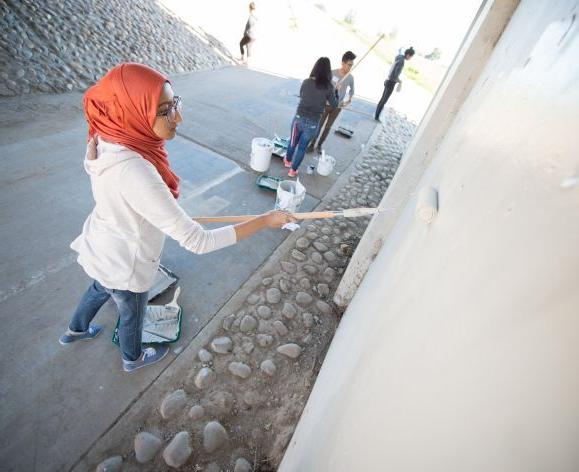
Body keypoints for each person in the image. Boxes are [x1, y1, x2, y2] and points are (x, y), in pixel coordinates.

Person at [59, 63, 294, 373]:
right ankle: (133, 358)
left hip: (103, 245)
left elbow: (124, 195)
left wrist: (156, 211)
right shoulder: (136, 170)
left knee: (99, 288)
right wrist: (264, 220)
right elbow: (198, 241)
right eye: (166, 110)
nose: (178, 117)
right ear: (134, 109)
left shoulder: (106, 135)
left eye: (175, 103)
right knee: (131, 311)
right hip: (127, 262)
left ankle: (74, 331)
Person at [284, 57, 338, 177]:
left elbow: (302, 94)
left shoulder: (306, 82)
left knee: (292, 142)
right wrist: (336, 93)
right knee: (302, 148)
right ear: (328, 71)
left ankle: (287, 161)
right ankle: (293, 171)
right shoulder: (329, 87)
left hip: (298, 119)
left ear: (316, 68)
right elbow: (334, 105)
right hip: (313, 123)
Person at [308, 51, 356, 154]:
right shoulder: (331, 73)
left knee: (328, 127)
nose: (350, 67)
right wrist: (333, 89)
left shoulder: (350, 78)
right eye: (349, 65)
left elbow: (352, 90)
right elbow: (323, 86)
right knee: (319, 125)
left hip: (337, 107)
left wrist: (348, 101)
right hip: (326, 104)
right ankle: (312, 144)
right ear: (343, 63)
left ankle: (320, 145)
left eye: (352, 65)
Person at [374, 47, 415, 121]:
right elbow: (395, 74)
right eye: (411, 57)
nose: (410, 58)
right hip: (391, 82)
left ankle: (376, 115)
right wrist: (399, 81)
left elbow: (393, 71)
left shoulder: (399, 57)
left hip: (387, 80)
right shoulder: (402, 61)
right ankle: (377, 117)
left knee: (382, 99)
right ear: (408, 55)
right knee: (384, 100)